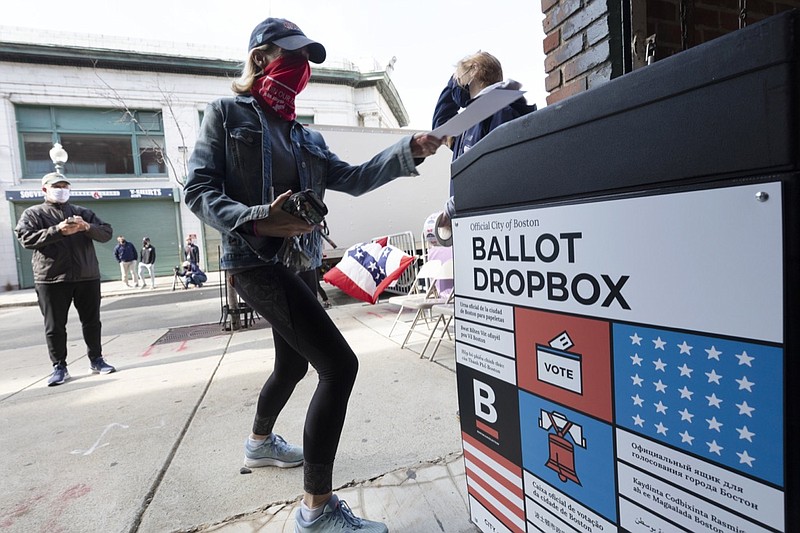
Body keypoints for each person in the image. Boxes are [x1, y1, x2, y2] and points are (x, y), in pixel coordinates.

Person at [184, 17, 444, 533]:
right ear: (261, 57)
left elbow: (351, 178)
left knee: (294, 366)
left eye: (307, 61)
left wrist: (408, 151)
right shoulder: (225, 113)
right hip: (255, 260)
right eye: (293, 56)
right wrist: (258, 215)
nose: (302, 69)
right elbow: (198, 190)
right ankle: (316, 510)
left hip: (299, 260)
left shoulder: (306, 135)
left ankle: (259, 445)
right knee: (339, 366)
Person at [15, 172, 116, 386]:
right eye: (56, 186)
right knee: (55, 326)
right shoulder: (33, 214)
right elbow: (25, 238)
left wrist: (86, 227)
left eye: (64, 185)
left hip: (86, 275)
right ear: (44, 189)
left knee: (91, 321)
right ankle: (59, 366)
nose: (61, 189)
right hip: (51, 278)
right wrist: (57, 230)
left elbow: (106, 232)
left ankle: (96, 360)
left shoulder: (82, 212)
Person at [432, 51, 536, 230]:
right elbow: (441, 126)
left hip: (495, 227)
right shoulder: (473, 118)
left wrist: (453, 207)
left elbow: (500, 171)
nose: (458, 85)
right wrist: (452, 84)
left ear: (473, 73)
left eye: (459, 79)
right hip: (476, 226)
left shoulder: (501, 111)